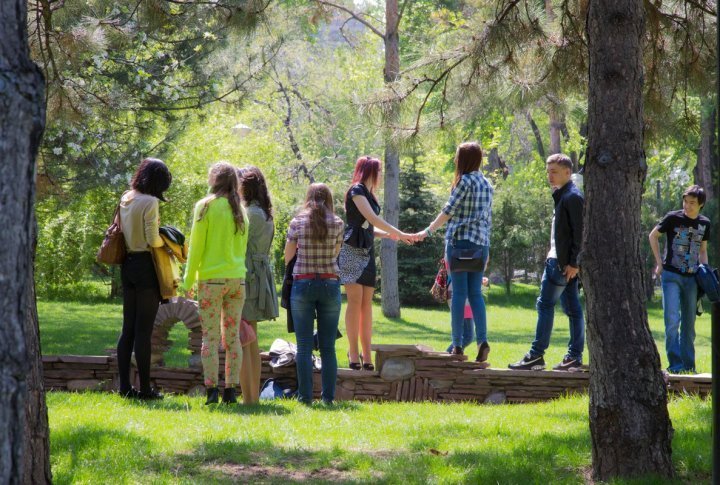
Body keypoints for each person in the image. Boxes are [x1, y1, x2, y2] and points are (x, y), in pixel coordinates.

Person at [416, 142, 493, 363]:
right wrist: (486, 250)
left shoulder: (464, 181)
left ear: (463, 159)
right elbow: (488, 220)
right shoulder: (487, 184)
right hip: (480, 245)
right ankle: (483, 340)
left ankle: (457, 344)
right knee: (476, 294)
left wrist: (428, 230)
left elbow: (447, 211)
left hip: (459, 244)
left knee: (459, 295)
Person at [509, 153, 585, 371]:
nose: (549, 176)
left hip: (561, 264)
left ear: (567, 173)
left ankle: (536, 355)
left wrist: (573, 263)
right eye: (548, 171)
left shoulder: (572, 197)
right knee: (572, 309)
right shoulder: (563, 195)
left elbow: (580, 233)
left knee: (545, 305)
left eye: (554, 172)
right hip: (563, 262)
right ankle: (573, 356)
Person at [181, 162, 249, 405]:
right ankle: (231, 390)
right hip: (237, 281)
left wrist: (188, 280)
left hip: (211, 280)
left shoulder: (205, 207)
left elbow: (196, 248)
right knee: (232, 339)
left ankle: (211, 391)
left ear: (214, 180)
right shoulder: (240, 211)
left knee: (209, 337)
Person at [338, 156, 414, 370]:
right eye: (378, 171)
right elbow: (371, 219)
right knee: (355, 301)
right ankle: (353, 353)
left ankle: (366, 354)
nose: (380, 175)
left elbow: (369, 227)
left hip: (367, 251)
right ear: (369, 171)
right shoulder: (356, 190)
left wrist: (389, 235)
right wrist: (398, 232)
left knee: (366, 305)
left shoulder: (369, 194)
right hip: (352, 250)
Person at [284, 183, 345, 404]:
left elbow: (288, 256)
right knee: (328, 346)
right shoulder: (338, 223)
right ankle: (328, 398)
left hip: (302, 284)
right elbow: (336, 252)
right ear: (328, 199)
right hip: (330, 283)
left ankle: (305, 398)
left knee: (303, 345)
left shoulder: (297, 221)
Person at [117, 158, 172, 400]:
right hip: (145, 266)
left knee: (127, 327)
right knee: (144, 330)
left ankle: (124, 387)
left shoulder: (127, 197)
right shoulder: (149, 202)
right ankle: (146, 389)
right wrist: (168, 244)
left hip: (127, 264)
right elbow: (152, 239)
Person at [649, 185, 710, 374]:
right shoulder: (673, 218)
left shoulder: (704, 223)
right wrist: (659, 263)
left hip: (692, 279)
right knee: (672, 320)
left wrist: (705, 273)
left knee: (689, 325)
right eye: (685, 201)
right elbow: (653, 236)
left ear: (700, 205)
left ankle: (689, 366)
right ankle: (675, 366)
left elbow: (702, 250)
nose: (687, 205)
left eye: (692, 203)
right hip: (671, 276)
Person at [237, 166, 279, 405]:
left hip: (248, 277)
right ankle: (251, 398)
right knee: (251, 339)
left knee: (244, 338)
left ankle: (248, 399)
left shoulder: (248, 214)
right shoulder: (264, 212)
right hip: (260, 276)